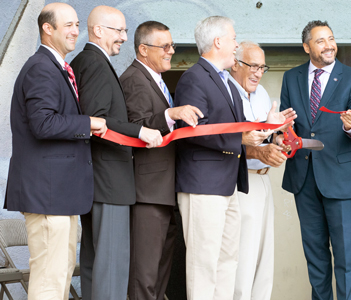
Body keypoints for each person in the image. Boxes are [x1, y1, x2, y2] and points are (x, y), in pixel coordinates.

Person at [174, 16, 293, 300]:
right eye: (233, 39)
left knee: (228, 261)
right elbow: (191, 131)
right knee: (205, 264)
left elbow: (239, 128)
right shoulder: (194, 77)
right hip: (203, 185)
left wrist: (268, 125)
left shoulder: (222, 80)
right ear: (218, 42)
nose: (236, 44)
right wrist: (239, 139)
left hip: (227, 184)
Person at [4, 3, 107, 299]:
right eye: (68, 25)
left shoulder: (55, 67)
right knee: (50, 279)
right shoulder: (41, 68)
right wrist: (88, 122)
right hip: (48, 195)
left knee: (59, 277)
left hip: (57, 195)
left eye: (77, 24)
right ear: (47, 29)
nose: (76, 31)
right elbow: (43, 123)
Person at [70, 6, 163, 300]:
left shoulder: (87, 60)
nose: (124, 37)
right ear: (98, 30)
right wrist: (140, 131)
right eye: (119, 31)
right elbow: (96, 119)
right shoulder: (95, 63)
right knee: (111, 269)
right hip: (109, 182)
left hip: (99, 181)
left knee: (95, 267)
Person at [280, 20, 351, 300]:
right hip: (303, 179)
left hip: (341, 180)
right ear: (306, 47)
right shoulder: (291, 77)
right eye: (320, 41)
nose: (329, 45)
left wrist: (350, 126)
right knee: (315, 256)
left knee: (345, 257)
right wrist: (282, 134)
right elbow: (286, 124)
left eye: (331, 38)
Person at [119, 20, 202, 300]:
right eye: (164, 46)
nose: (171, 51)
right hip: (147, 192)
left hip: (162, 192)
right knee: (144, 277)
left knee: (159, 276)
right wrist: (171, 114)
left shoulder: (153, 78)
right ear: (143, 49)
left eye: (172, 45)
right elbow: (136, 125)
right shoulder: (133, 79)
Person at [229, 41, 289, 300]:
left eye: (262, 67)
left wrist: (278, 140)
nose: (258, 72)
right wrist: (260, 150)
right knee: (243, 256)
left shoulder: (262, 93)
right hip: (240, 181)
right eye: (252, 66)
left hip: (264, 180)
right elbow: (229, 141)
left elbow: (265, 138)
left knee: (265, 257)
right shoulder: (226, 92)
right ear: (235, 64)